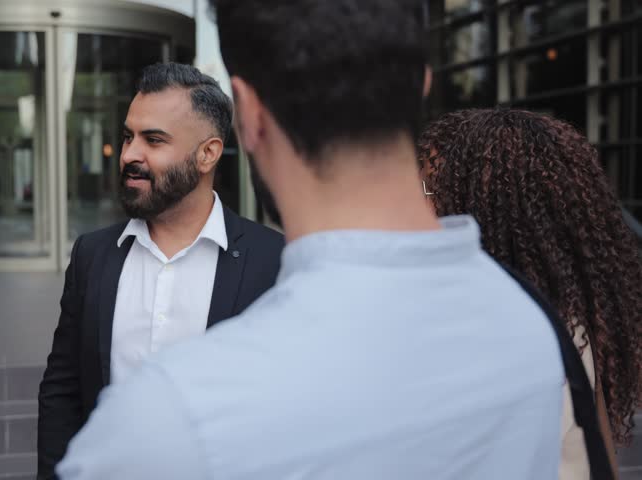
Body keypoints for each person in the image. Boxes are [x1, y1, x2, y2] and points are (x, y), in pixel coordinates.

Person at [55, 1, 564, 479]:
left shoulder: (168, 415)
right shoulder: (536, 330)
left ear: (249, 116)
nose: (129, 154)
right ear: (423, 85)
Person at [37, 62, 284, 478]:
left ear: (207, 153)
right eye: (128, 136)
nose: (130, 154)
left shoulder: (272, 261)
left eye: (153, 140)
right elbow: (63, 391)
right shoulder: (92, 256)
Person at [418, 108, 642, 479]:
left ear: (483, 209)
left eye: (426, 190)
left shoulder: (516, 344)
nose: (417, 208)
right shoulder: (562, 325)